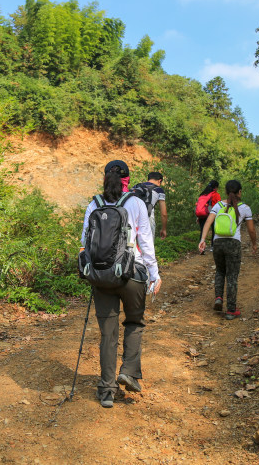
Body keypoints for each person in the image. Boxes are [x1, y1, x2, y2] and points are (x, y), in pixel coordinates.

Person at [81, 160, 161, 408]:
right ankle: (128, 370)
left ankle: (106, 390)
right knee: (134, 322)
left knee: (108, 334)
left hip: (102, 276)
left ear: (105, 178)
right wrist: (154, 274)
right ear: (128, 179)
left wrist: (88, 271)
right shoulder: (136, 203)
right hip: (132, 274)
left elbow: (85, 242)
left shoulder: (93, 204)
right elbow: (145, 241)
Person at [198, 180, 257, 320]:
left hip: (217, 243)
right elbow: (251, 230)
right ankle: (231, 310)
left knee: (220, 270)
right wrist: (254, 243)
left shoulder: (218, 205)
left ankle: (218, 297)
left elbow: (208, 222)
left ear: (225, 191)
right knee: (232, 276)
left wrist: (203, 239)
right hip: (233, 244)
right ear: (240, 192)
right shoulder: (245, 208)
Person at [133, 171, 168, 241]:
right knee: (148, 246)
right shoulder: (159, 190)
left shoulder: (136, 187)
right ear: (159, 181)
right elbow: (164, 214)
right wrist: (164, 229)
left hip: (132, 218)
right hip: (147, 220)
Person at [195, 180, 220, 250]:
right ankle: (213, 246)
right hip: (211, 214)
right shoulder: (215, 195)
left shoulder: (202, 195)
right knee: (214, 230)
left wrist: (197, 217)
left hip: (201, 215)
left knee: (203, 230)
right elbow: (219, 206)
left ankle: (201, 248)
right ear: (215, 187)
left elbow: (198, 206)